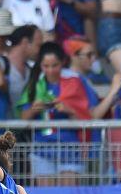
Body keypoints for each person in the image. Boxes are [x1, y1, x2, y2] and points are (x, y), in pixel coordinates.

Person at [17, 42, 97, 185]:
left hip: (70, 148)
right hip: (42, 148)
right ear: (40, 65)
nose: (50, 70)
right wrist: (34, 109)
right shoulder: (35, 84)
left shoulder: (75, 83)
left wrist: (70, 111)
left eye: (55, 65)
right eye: (46, 66)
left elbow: (86, 119)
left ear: (63, 63)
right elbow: (23, 118)